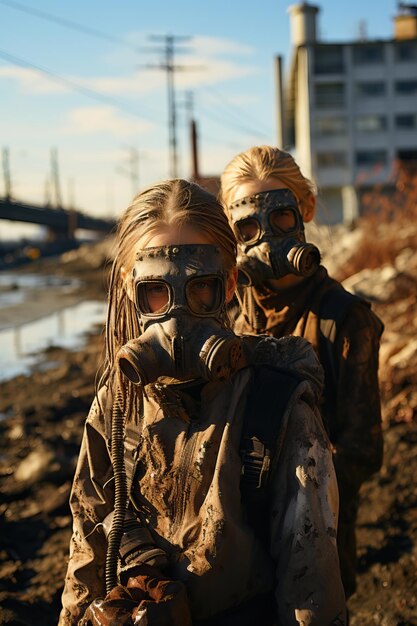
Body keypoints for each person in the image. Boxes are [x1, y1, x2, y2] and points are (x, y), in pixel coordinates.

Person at [58, 178, 346, 626]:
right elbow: (85, 559)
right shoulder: (117, 407)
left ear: (229, 283)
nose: (177, 317)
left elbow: (311, 591)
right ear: (132, 291)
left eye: (199, 288)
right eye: (156, 292)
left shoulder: (276, 409)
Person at [219, 145, 384, 599]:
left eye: (282, 218)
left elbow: (364, 450)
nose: (265, 238)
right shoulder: (227, 320)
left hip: (317, 547)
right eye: (247, 227)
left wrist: (294, 491)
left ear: (306, 210)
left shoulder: (345, 321)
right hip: (235, 549)